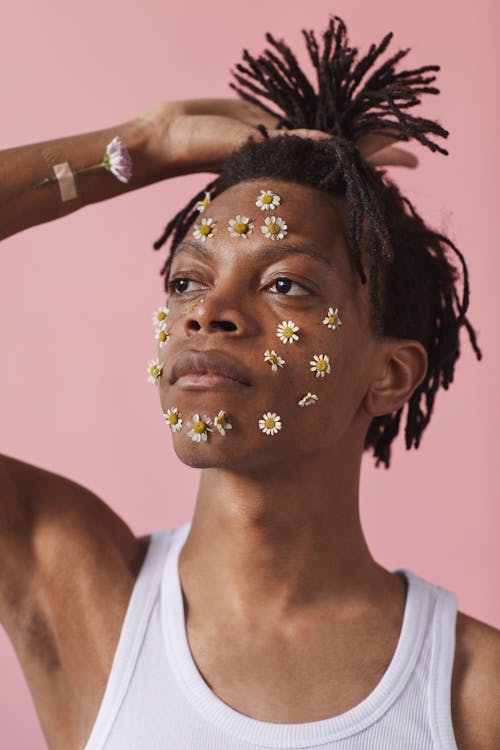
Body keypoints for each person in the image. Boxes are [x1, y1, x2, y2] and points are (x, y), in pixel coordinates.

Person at [1, 16, 499, 750]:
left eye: (286, 283)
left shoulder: (471, 692)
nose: (209, 311)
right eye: (186, 280)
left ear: (390, 375)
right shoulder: (75, 589)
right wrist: (138, 147)